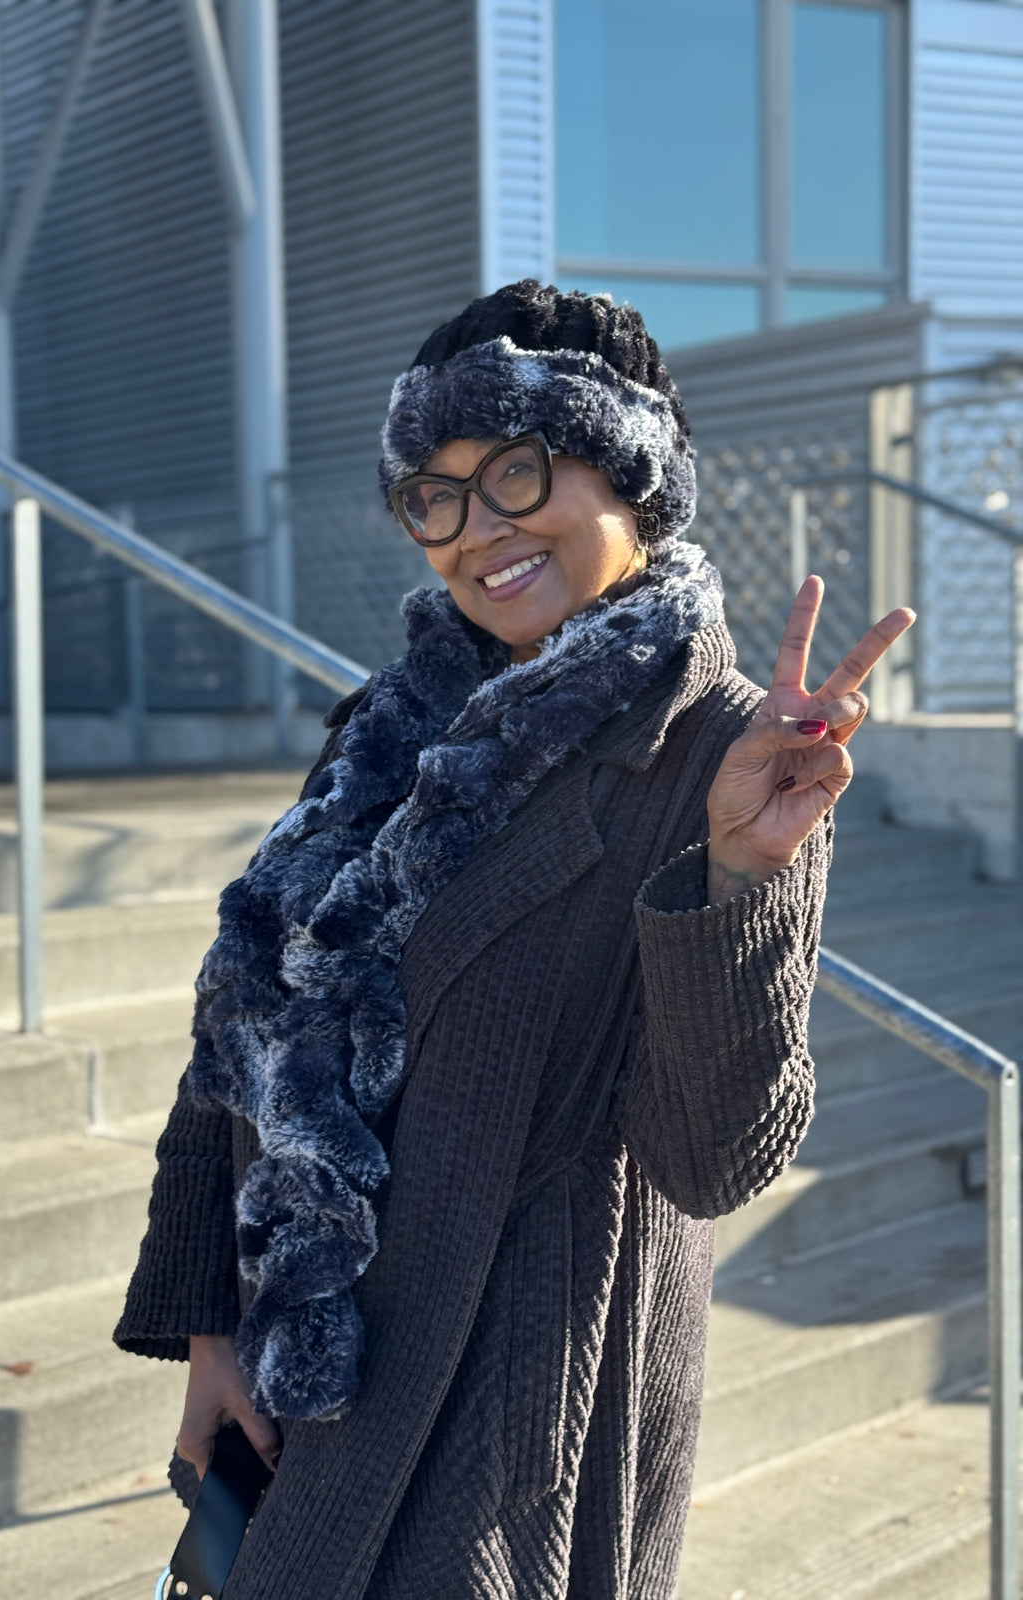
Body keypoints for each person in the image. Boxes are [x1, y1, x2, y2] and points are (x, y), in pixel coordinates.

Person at [115, 280, 913, 1600]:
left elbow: (712, 1160)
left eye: (518, 474)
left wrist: (738, 874)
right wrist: (214, 1322)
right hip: (307, 1401)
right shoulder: (387, 728)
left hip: (508, 1445)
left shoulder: (726, 757)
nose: (478, 531)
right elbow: (242, 1024)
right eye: (433, 494)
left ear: (635, 475)